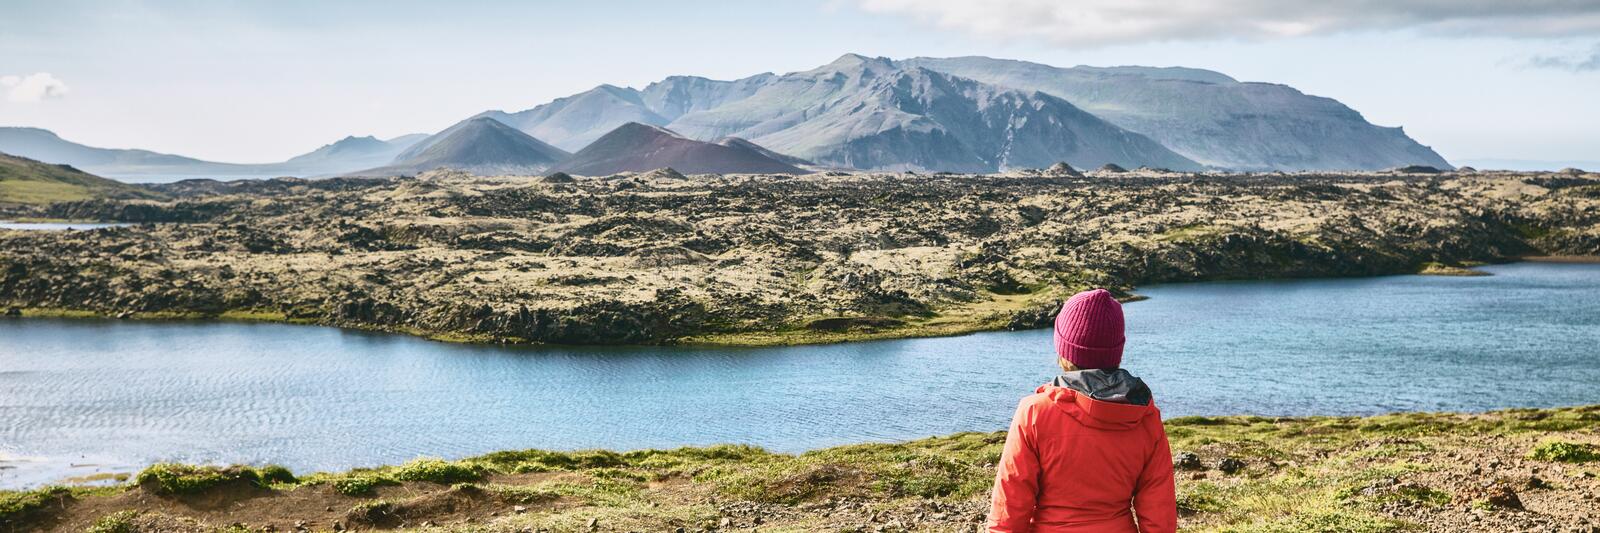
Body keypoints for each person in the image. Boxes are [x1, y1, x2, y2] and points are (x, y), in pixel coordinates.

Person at [987, 288, 1177, 533]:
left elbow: (1008, 514)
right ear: (1116, 350)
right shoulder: (1145, 416)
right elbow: (1160, 518)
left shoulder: (1034, 412)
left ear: (1064, 350)